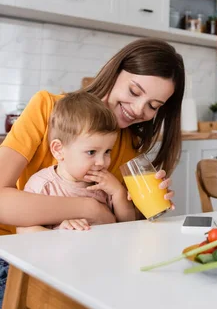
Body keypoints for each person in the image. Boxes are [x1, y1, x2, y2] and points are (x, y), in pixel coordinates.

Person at [0, 38, 184, 306]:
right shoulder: (48, 109)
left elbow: (123, 229)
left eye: (153, 106)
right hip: (14, 254)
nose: (138, 109)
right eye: (134, 91)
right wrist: (88, 208)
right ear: (115, 72)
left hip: (78, 261)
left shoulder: (128, 147)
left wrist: (149, 209)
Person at [19, 91, 137, 232]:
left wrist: (118, 192)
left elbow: (128, 224)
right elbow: (23, 230)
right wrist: (58, 233)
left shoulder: (104, 185)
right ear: (58, 150)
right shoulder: (43, 185)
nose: (101, 162)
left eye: (107, 151)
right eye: (91, 152)